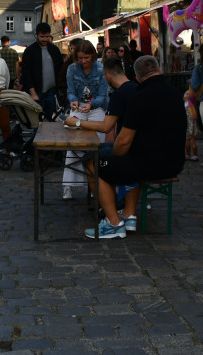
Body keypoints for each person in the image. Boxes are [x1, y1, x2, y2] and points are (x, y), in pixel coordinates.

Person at [85, 56, 185, 239]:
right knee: (129, 159)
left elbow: (123, 141)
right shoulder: (175, 93)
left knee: (94, 164)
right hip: (175, 162)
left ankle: (114, 223)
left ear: (137, 78)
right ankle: (128, 215)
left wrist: (113, 161)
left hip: (148, 164)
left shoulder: (139, 96)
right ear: (159, 70)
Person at [62, 39, 109, 200]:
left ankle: (98, 185)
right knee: (72, 144)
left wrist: (92, 104)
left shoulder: (101, 69)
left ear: (93, 56)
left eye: (86, 58)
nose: (83, 61)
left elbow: (103, 95)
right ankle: (68, 185)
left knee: (98, 143)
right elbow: (71, 91)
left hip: (96, 107)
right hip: (79, 107)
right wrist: (73, 100)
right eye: (80, 58)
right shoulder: (72, 69)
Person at [63, 57, 136, 156]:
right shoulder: (137, 87)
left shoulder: (118, 94)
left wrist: (77, 122)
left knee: (90, 156)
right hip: (141, 144)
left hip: (129, 148)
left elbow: (106, 127)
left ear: (108, 76)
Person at [21, 23, 65, 120]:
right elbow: (26, 73)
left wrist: (60, 89)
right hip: (36, 92)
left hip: (52, 92)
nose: (44, 39)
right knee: (37, 120)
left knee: (51, 119)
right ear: (36, 35)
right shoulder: (30, 51)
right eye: (42, 37)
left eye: (47, 36)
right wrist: (33, 93)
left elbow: (61, 69)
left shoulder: (54, 50)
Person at [183, 89, 200, 162]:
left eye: (188, 94)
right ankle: (188, 155)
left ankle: (195, 155)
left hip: (191, 124)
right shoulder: (184, 103)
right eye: (186, 93)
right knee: (186, 142)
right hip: (186, 124)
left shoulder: (191, 103)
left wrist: (190, 85)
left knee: (193, 141)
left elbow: (192, 96)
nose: (187, 94)